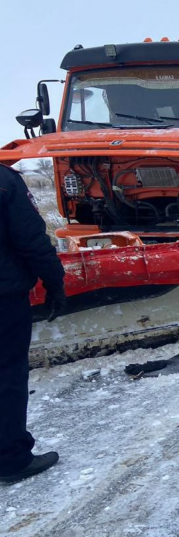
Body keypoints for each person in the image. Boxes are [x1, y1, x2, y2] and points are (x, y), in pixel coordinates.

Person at [0, 164, 66, 483]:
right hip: (3, 298)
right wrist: (55, 281)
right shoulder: (4, 181)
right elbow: (29, 237)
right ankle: (10, 460)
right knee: (7, 375)